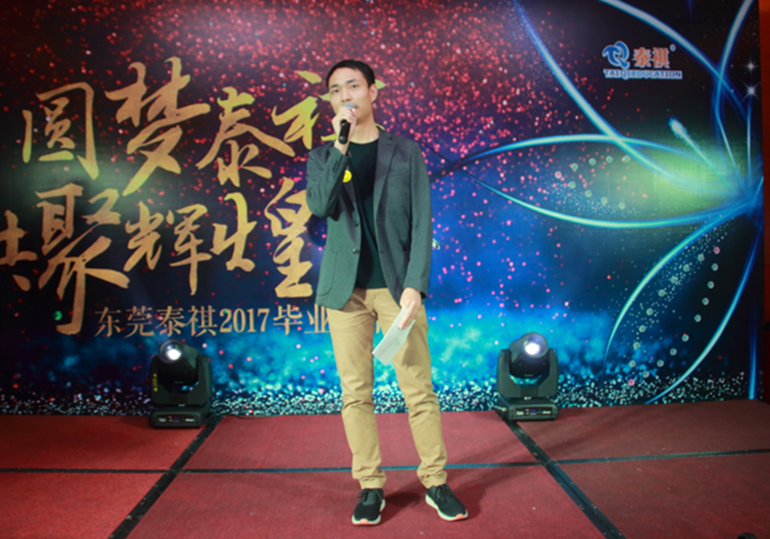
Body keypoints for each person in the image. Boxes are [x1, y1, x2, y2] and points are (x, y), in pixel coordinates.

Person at [306, 59, 468, 526]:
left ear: (374, 91)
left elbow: (422, 222)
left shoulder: (405, 151)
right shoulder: (323, 155)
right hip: (346, 293)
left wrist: (416, 284)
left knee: (418, 389)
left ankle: (435, 481)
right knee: (356, 392)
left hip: (398, 290)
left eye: (353, 86)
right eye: (335, 90)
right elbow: (320, 204)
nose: (345, 95)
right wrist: (340, 145)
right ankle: (370, 486)